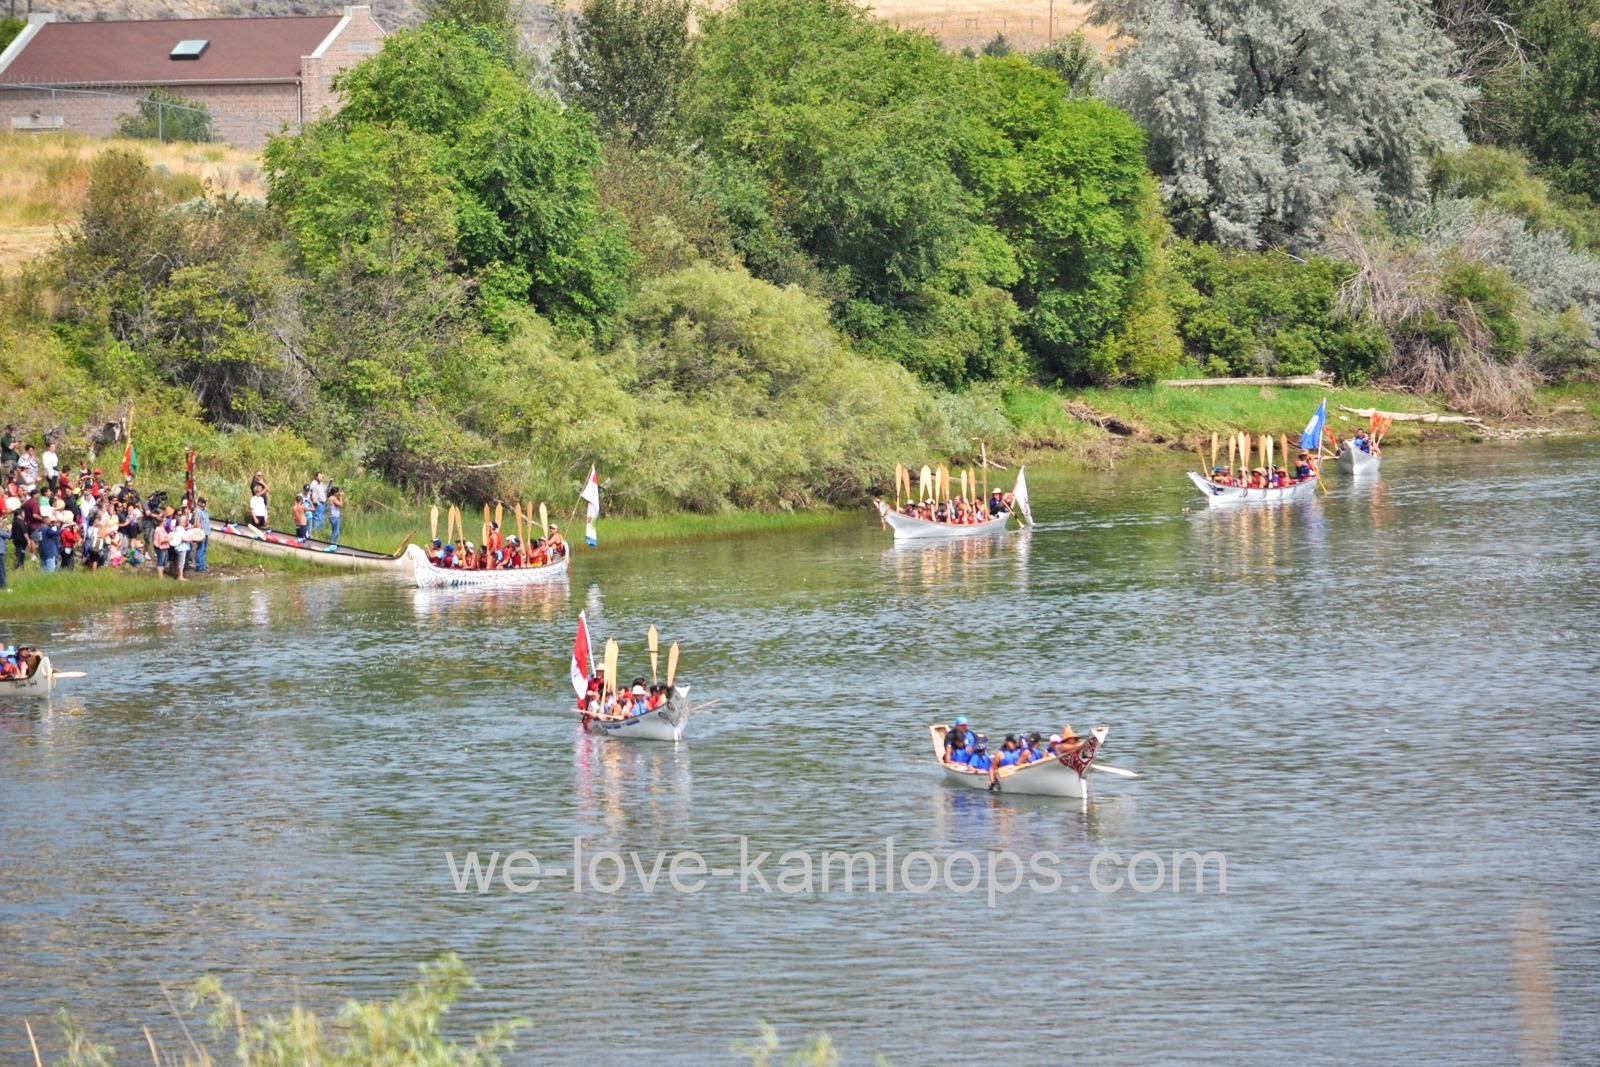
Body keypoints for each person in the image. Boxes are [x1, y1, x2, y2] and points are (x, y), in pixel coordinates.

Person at [308, 472, 328, 537]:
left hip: (322, 503)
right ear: (316, 477)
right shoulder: (314, 483)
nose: (321, 478)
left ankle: (319, 533)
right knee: (317, 518)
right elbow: (311, 493)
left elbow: (324, 491)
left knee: (321, 518)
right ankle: (316, 532)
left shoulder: (321, 484)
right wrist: (316, 502)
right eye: (320, 477)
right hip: (318, 503)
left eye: (322, 477)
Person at [193, 496, 211, 572]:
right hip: (202, 533)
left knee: (204, 550)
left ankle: (202, 565)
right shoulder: (198, 511)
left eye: (205, 502)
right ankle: (199, 566)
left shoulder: (205, 511)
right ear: (199, 502)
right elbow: (198, 522)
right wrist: (200, 533)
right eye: (203, 502)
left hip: (206, 532)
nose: (204, 504)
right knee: (200, 549)